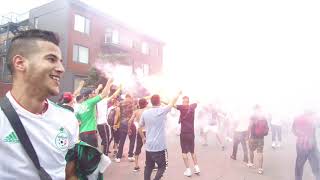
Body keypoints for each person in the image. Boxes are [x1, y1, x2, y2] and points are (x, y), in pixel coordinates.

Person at [0, 29, 79, 179]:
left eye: (60, 62)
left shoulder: (68, 119)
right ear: (20, 63)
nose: (61, 69)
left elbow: (70, 174)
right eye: (51, 59)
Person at [139, 92, 181, 180]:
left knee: (149, 166)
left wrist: (143, 137)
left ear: (151, 102)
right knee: (162, 167)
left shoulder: (145, 113)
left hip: (149, 146)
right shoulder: (162, 111)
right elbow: (172, 102)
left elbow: (139, 127)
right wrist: (178, 93)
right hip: (159, 147)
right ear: (159, 102)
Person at [76, 81, 121, 147]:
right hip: (90, 133)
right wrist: (108, 82)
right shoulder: (90, 102)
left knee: (84, 154)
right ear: (89, 95)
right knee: (93, 154)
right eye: (93, 93)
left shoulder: (80, 106)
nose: (95, 94)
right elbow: (103, 94)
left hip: (82, 134)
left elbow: (78, 121)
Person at [175, 96, 200, 177]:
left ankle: (188, 170)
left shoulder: (182, 107)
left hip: (184, 133)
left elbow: (172, 105)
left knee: (184, 152)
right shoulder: (192, 106)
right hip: (191, 133)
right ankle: (197, 168)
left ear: (184, 102)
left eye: (183, 101)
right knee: (192, 151)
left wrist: (161, 100)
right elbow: (197, 101)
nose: (183, 103)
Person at [292, 110, 320, 180]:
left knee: (299, 164)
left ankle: (298, 178)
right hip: (311, 145)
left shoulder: (297, 118)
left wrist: (300, 135)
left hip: (301, 144)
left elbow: (293, 130)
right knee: (315, 164)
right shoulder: (314, 118)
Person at [128, 98, 149, 172]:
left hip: (140, 132)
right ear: (146, 104)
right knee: (150, 148)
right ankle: (151, 165)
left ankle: (136, 166)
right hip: (148, 132)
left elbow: (130, 121)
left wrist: (129, 129)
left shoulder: (136, 111)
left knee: (138, 149)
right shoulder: (148, 110)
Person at [247, 105, 269, 174]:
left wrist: (247, 136)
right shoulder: (263, 117)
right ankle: (260, 168)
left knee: (251, 150)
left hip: (253, 137)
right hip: (261, 138)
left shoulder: (253, 116)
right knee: (260, 152)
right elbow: (266, 127)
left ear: (254, 109)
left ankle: (251, 163)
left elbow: (250, 126)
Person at [115, 94, 135, 162]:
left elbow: (117, 112)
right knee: (132, 140)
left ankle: (118, 157)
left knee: (122, 141)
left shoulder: (121, 103)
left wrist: (115, 123)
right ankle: (130, 156)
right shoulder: (133, 102)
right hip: (131, 123)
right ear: (130, 97)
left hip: (123, 124)